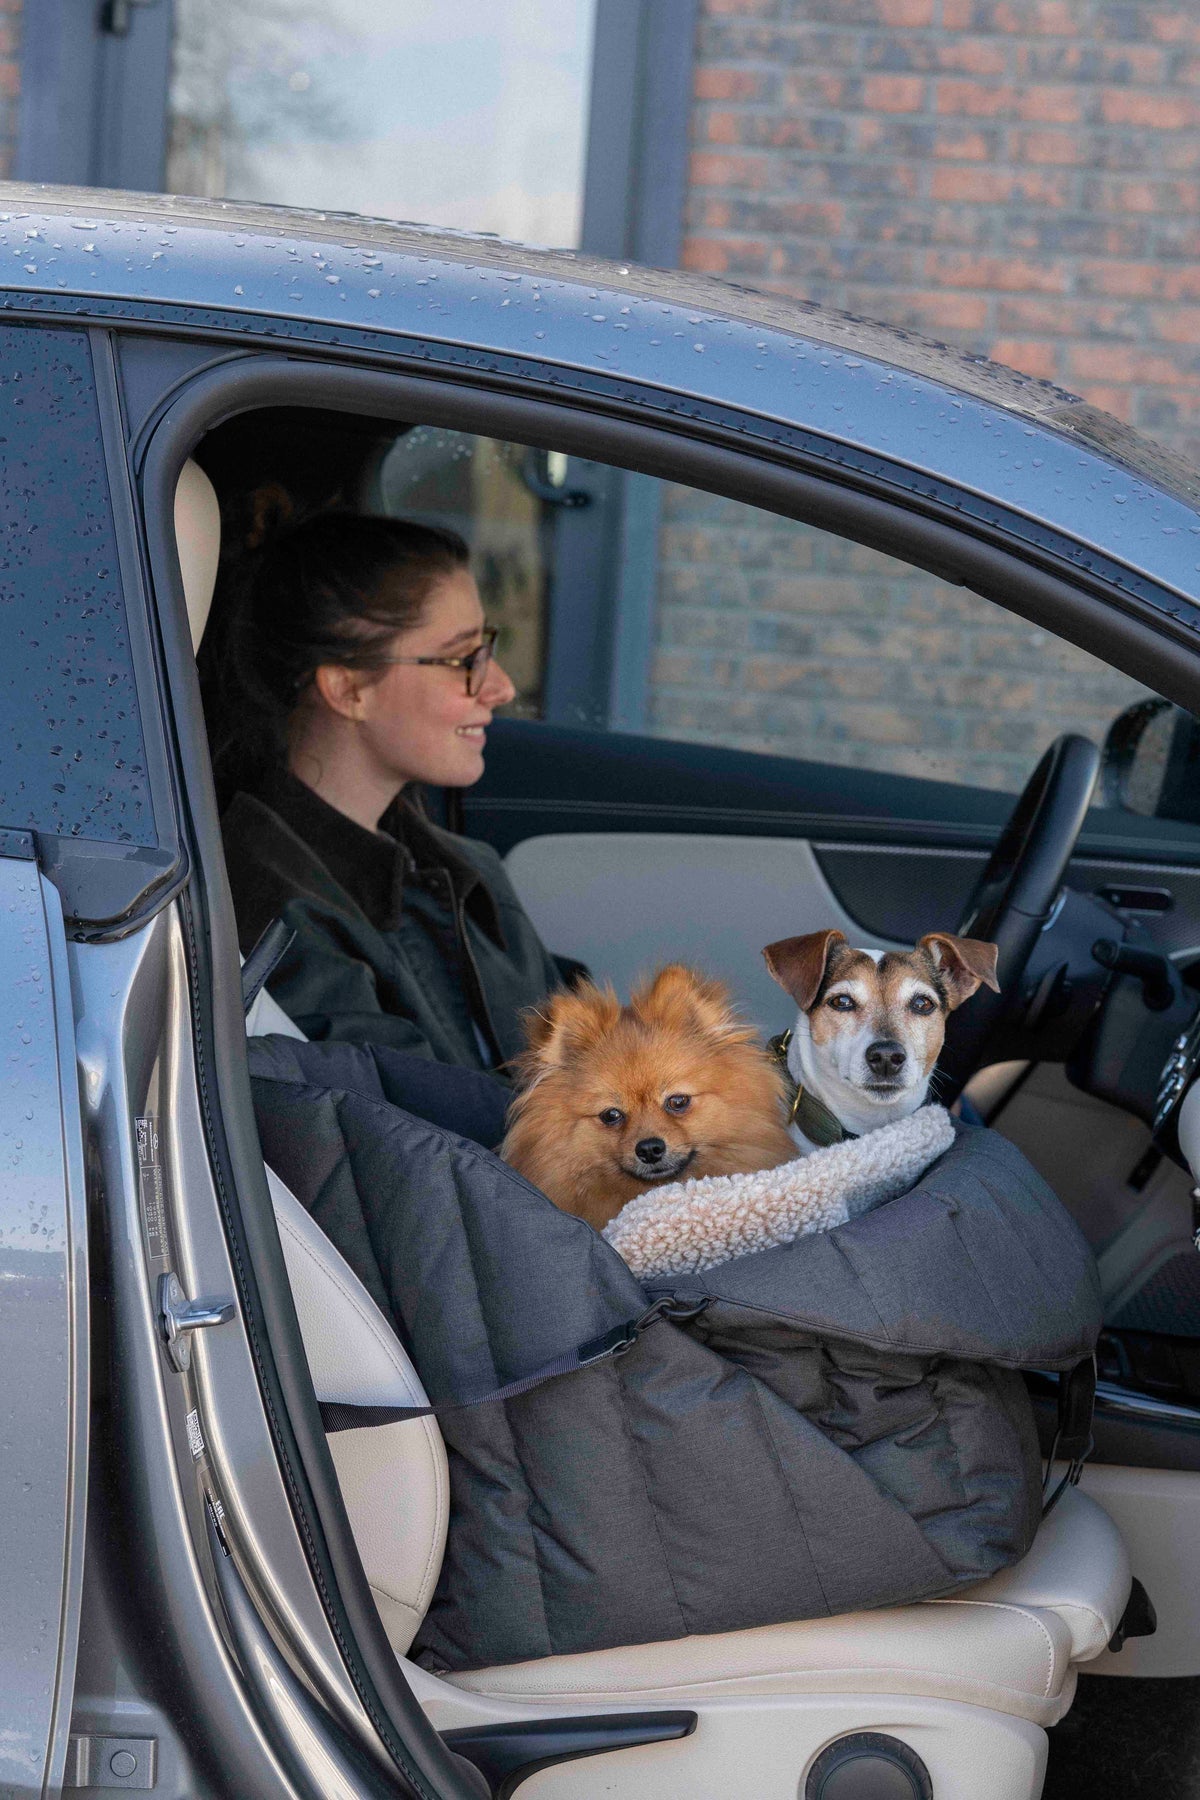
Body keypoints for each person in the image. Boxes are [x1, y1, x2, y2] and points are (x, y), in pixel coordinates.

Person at [210, 511, 564, 1071]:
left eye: (487, 649)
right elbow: (417, 1137)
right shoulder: (279, 922)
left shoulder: (469, 870)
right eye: (462, 659)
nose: (501, 687)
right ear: (349, 689)